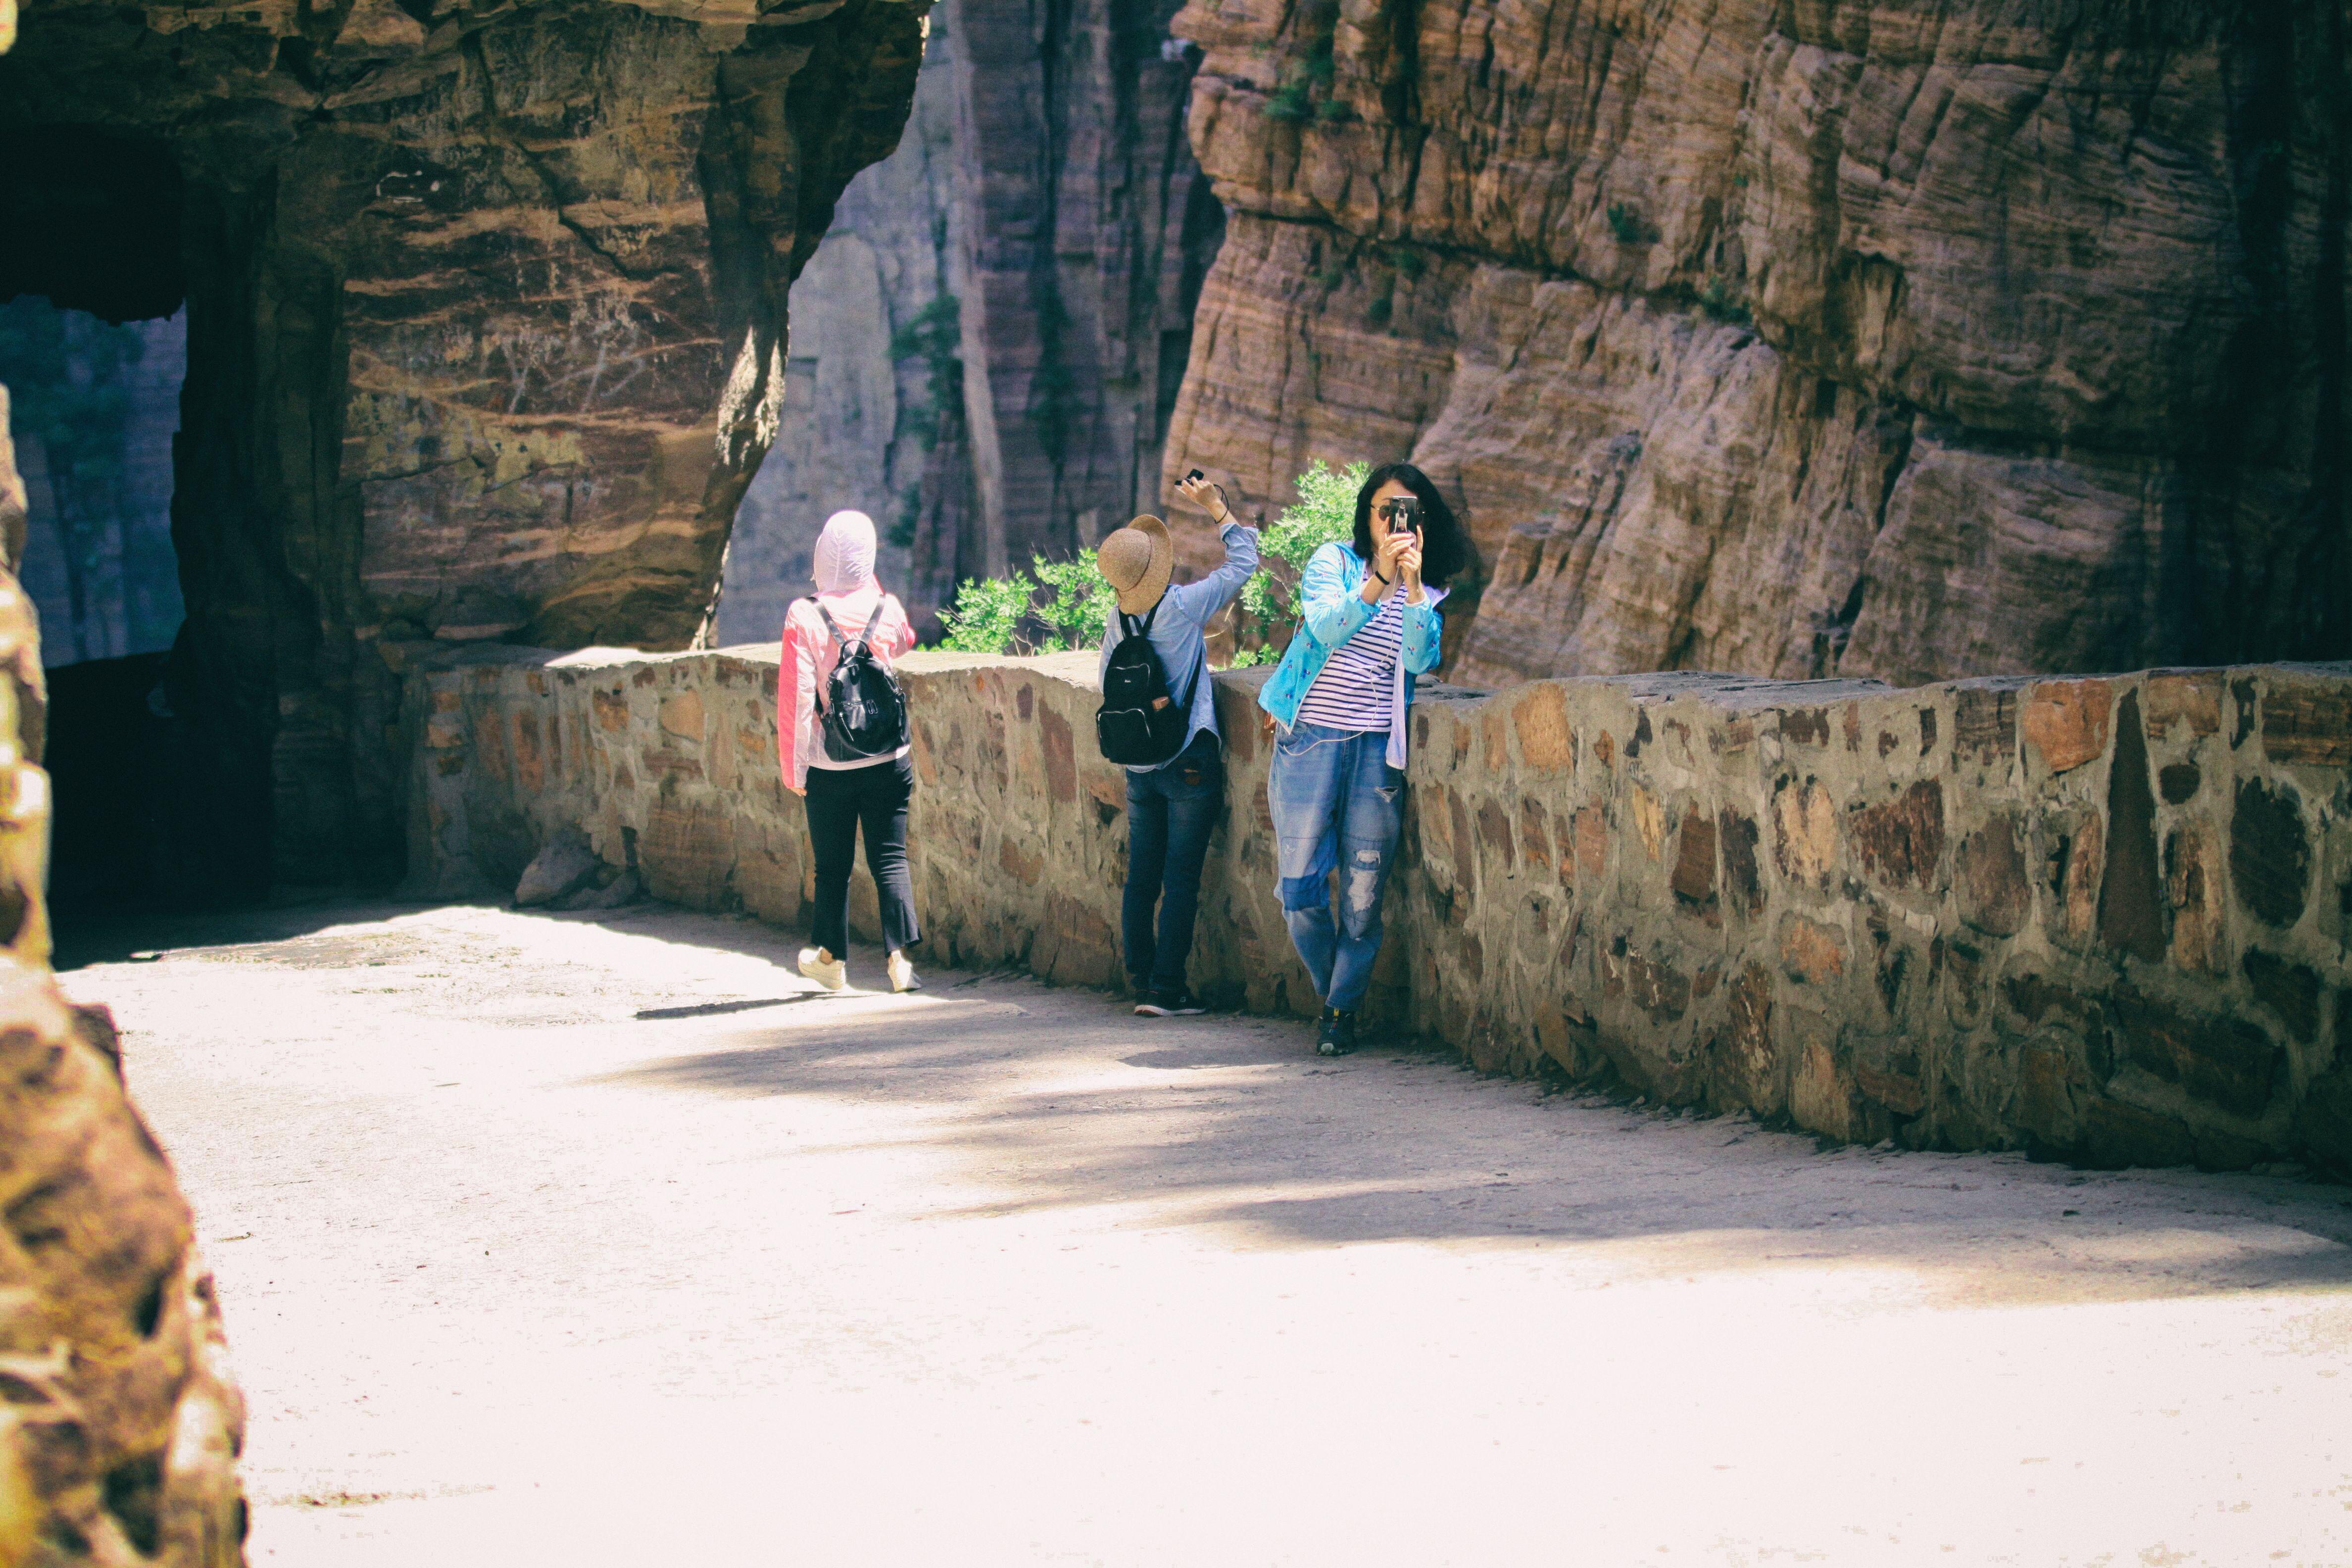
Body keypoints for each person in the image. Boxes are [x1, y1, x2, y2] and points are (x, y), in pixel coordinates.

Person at [1256, 462, 1470, 1055]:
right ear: (1367, 516)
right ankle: (1337, 998)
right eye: (1386, 510)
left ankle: (1339, 1017)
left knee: (1362, 896)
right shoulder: (1335, 562)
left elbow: (1423, 660)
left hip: (1379, 750)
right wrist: (1378, 577)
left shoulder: (1427, 588)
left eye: (1409, 511)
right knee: (1298, 890)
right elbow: (1326, 628)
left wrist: (1416, 588)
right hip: (1311, 740)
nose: (1395, 521)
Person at [1095, 473, 1259, 1017]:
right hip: (1188, 756)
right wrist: (1218, 510)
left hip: (1139, 763)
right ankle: (1168, 990)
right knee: (1181, 877)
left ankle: (1141, 976)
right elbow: (1243, 566)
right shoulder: (1183, 606)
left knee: (1142, 874)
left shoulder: (1116, 620)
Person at [778, 510, 922, 993]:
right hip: (888, 755)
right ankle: (899, 960)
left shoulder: (804, 613)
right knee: (890, 857)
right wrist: (871, 591)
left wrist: (793, 767)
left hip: (829, 762)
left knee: (832, 867)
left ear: (822, 553)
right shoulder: (889, 607)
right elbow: (903, 645)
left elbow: (795, 697)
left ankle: (831, 959)